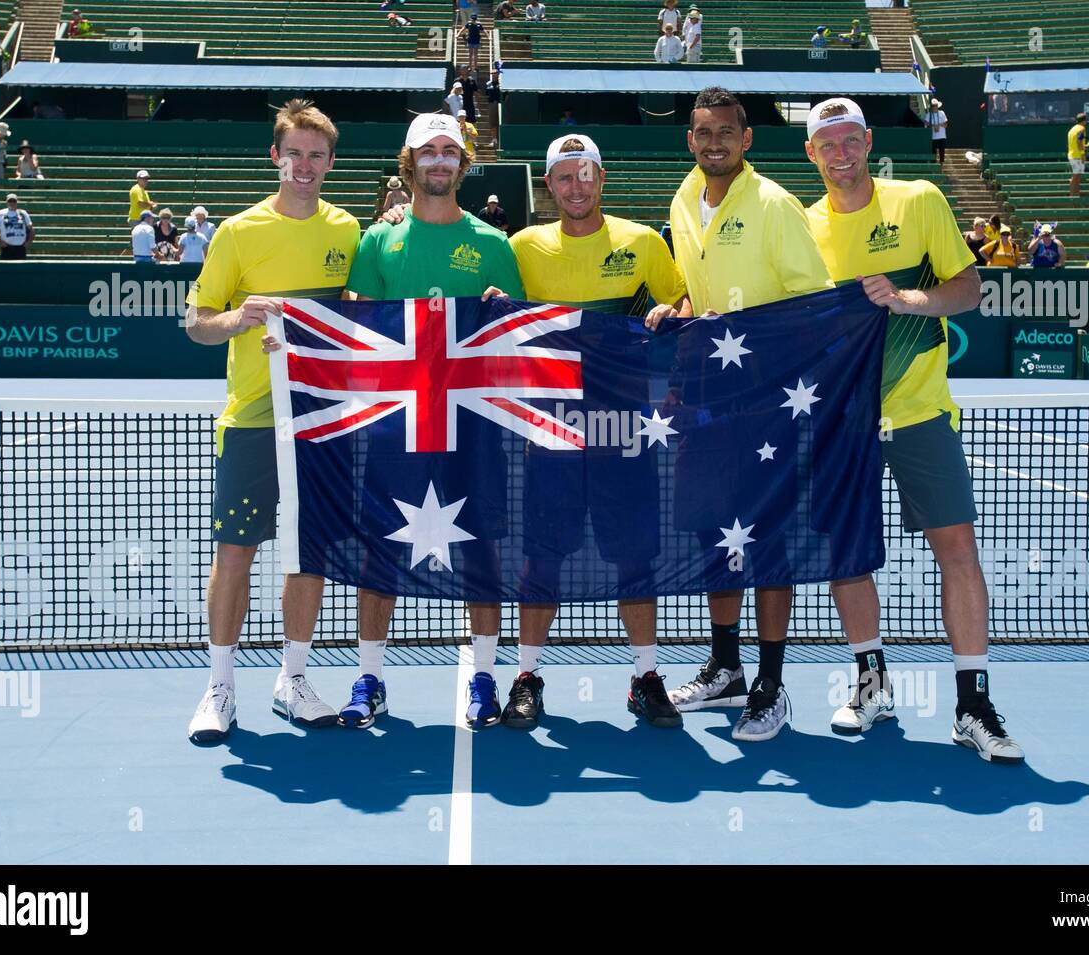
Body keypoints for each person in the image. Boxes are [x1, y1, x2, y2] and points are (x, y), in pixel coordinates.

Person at [797, 96, 1022, 763]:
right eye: (826, 145)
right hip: (844, 422)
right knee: (850, 557)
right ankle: (871, 683)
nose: (840, 154)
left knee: (957, 550)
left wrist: (905, 299)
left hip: (921, 411)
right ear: (811, 155)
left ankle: (973, 704)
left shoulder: (920, 200)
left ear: (868, 142)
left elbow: (969, 287)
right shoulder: (801, 226)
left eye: (849, 140)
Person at [650, 87, 836, 742]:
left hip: (767, 402)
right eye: (703, 132)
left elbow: (815, 308)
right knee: (715, 534)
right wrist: (675, 309)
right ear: (690, 139)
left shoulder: (776, 206)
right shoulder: (681, 200)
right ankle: (726, 666)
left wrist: (752, 341)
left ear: (746, 138)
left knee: (768, 543)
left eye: (725, 132)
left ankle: (770, 682)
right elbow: (694, 291)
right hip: (707, 400)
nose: (713, 142)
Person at [335, 111, 525, 732]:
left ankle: (484, 678)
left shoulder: (494, 245)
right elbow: (355, 326)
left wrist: (504, 313)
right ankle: (370, 678)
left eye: (450, 151)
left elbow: (517, 342)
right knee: (379, 553)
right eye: (428, 151)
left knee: (482, 553)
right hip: (397, 426)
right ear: (409, 161)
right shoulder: (377, 240)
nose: (440, 161)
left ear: (462, 164)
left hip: (472, 429)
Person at [493, 133, 689, 729]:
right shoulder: (522, 247)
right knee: (541, 556)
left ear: (601, 178)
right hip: (550, 431)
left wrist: (669, 312)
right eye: (563, 177)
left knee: (634, 555)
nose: (576, 187)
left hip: (624, 429)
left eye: (586, 175)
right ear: (547, 186)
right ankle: (526, 676)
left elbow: (684, 302)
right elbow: (493, 312)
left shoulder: (643, 243)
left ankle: (645, 676)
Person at [183, 100, 360, 743]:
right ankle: (220, 687)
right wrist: (240, 317)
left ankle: (293, 679)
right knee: (236, 553)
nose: (305, 165)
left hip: (321, 421)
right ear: (275, 157)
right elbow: (197, 323)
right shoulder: (236, 233)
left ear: (330, 163)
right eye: (295, 153)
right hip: (252, 423)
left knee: (306, 553)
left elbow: (363, 314)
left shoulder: (349, 234)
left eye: (317, 155)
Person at [0, 192, 32, 259]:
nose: (12, 203)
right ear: (6, 202)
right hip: (7, 248)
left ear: (17, 202)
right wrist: (0, 241)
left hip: (20, 248)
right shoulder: (0, 213)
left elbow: (31, 229)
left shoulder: (23, 213)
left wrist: (28, 242)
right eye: (10, 201)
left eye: (14, 201)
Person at [1067, 112, 1087, 196]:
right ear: (1084, 121)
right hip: (1077, 156)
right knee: (1075, 176)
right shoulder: (1082, 129)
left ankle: (1076, 195)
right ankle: (1072, 197)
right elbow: (1079, 141)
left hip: (1072, 155)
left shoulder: (1072, 129)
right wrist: (1082, 154)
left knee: (1078, 177)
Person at [925, 98, 947, 165]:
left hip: (942, 136)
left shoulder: (942, 113)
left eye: (935, 105)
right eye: (933, 106)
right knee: (933, 151)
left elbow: (946, 124)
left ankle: (941, 164)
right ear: (931, 107)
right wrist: (933, 126)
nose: (934, 107)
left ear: (938, 106)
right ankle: (933, 164)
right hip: (933, 137)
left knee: (942, 151)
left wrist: (939, 125)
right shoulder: (929, 114)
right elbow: (926, 123)